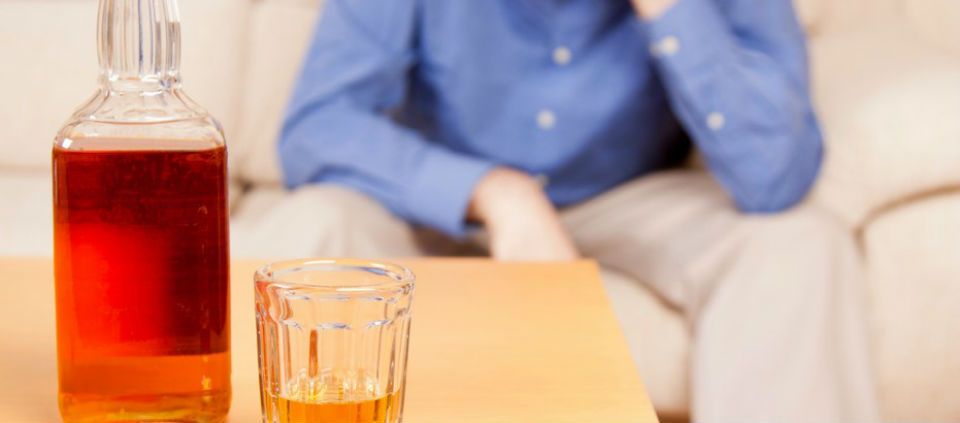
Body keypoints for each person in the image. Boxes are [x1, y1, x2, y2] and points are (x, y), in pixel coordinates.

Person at [261, 0, 880, 421]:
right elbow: (317, 130)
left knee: (800, 244)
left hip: (627, 196)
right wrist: (496, 193)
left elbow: (775, 175)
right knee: (314, 226)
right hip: (439, 205)